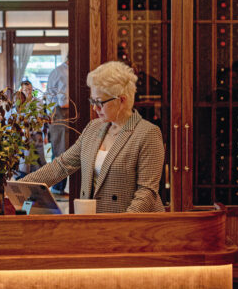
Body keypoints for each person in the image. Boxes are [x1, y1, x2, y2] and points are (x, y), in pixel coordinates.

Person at [22, 60, 165, 213]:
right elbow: (61, 166)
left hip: (130, 228)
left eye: (99, 102)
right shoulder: (93, 127)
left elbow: (146, 193)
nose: (94, 107)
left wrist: (122, 225)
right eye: (92, 100)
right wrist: (22, 186)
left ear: (122, 100)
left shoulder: (148, 133)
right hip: (94, 222)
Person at [45, 54, 69, 194]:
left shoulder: (58, 70)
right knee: (62, 152)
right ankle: (57, 188)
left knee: (59, 151)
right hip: (60, 114)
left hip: (56, 115)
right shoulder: (63, 72)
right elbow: (63, 103)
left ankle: (58, 187)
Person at [14, 79, 45, 174]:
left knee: (38, 158)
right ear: (21, 91)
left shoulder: (37, 102)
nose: (28, 92)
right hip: (23, 134)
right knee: (23, 159)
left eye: (30, 89)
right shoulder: (18, 103)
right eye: (26, 90)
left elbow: (38, 117)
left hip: (35, 133)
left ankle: (39, 176)